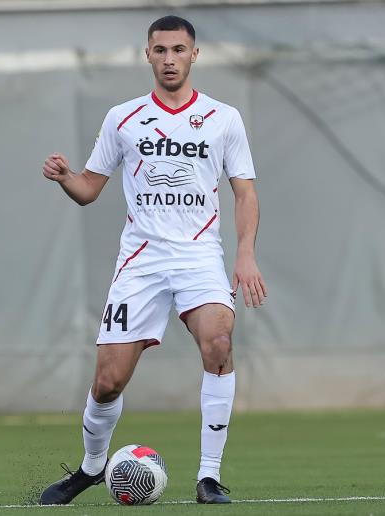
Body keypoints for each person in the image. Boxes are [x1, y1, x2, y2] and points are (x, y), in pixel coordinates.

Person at [39, 15, 267, 505]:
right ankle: (91, 467)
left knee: (219, 343)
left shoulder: (223, 118)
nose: (169, 59)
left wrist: (245, 254)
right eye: (160, 50)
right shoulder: (123, 118)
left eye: (179, 50)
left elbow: (245, 193)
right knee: (107, 382)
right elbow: (89, 189)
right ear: (147, 55)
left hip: (199, 256)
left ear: (194, 55)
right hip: (141, 261)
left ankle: (209, 476)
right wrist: (65, 178)